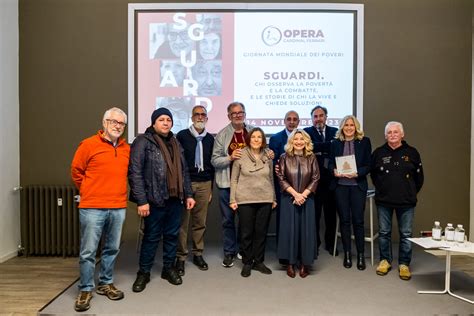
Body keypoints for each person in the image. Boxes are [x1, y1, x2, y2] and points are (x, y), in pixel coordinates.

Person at [128, 108, 195, 292]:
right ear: (153, 123)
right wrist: (142, 201)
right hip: (153, 199)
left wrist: (188, 194)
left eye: (168, 120)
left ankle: (168, 268)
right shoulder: (142, 141)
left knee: (172, 235)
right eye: (161, 119)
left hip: (175, 199)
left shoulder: (176, 142)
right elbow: (135, 172)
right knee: (151, 237)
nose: (166, 123)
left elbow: (184, 171)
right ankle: (144, 273)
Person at [71, 107, 130, 312]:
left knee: (112, 248)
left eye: (121, 123)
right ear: (104, 122)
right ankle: (86, 288)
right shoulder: (88, 145)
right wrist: (89, 190)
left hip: (118, 207)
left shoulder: (125, 148)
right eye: (114, 121)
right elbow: (76, 172)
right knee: (88, 251)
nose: (117, 126)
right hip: (92, 207)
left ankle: (105, 283)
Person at [371, 121, 424, 280]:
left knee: (406, 234)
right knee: (384, 233)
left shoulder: (412, 152)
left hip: (406, 201)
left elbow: (419, 178)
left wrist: (410, 192)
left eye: (395, 132)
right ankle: (385, 261)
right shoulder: (379, 152)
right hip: (384, 200)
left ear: (402, 134)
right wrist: (382, 189)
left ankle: (404, 264)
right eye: (389, 132)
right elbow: (373, 175)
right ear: (385, 135)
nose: (392, 135)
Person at [229, 128, 277, 277]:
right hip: (245, 199)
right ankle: (247, 262)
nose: (256, 139)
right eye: (253, 137)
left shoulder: (268, 156)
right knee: (246, 233)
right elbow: (234, 179)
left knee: (261, 232)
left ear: (263, 140)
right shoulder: (240, 155)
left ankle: (259, 261)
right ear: (249, 139)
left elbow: (271, 178)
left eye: (259, 137)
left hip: (265, 198)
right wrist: (232, 199)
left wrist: (273, 198)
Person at [211, 102, 254, 268]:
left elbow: (262, 152)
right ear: (229, 116)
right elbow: (214, 160)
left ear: (245, 114)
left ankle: (244, 250)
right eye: (234, 113)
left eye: (241, 112)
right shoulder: (222, 135)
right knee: (228, 220)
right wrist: (229, 157)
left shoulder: (253, 132)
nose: (238, 115)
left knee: (246, 220)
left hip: (248, 185)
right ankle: (229, 252)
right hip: (227, 185)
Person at [175, 105, 215, 276]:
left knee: (200, 222)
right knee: (183, 223)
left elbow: (212, 165)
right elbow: (178, 163)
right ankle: (181, 257)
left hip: (205, 184)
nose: (200, 117)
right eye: (196, 114)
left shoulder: (210, 139)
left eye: (203, 115)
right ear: (191, 118)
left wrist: (211, 188)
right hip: (187, 184)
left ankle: (198, 254)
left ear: (206, 118)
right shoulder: (182, 136)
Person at [329, 115, 372, 270]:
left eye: (351, 125)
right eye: (346, 125)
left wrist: (357, 173)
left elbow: (368, 165)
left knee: (358, 221)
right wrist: (334, 171)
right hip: (340, 186)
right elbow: (329, 163)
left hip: (357, 186)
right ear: (342, 127)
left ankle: (360, 254)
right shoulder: (335, 143)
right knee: (345, 221)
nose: (348, 127)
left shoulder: (364, 142)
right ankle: (347, 253)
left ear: (356, 127)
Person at [276, 129, 320, 278]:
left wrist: (303, 195)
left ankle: (304, 264)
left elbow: (315, 178)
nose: (299, 142)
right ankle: (290, 263)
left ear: (306, 142)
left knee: (305, 231)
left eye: (302, 139)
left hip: (307, 200)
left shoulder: (312, 157)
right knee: (289, 230)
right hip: (289, 199)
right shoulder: (284, 157)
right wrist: (295, 194)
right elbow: (281, 178)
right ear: (291, 142)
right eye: (296, 139)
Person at [304, 105, 338, 255]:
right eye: (315, 116)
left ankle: (331, 244)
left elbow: (336, 149)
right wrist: (327, 146)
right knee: (314, 216)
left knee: (331, 216)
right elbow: (309, 148)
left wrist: (319, 148)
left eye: (321, 115)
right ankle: (314, 245)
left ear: (326, 117)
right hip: (313, 182)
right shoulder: (306, 132)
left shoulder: (335, 132)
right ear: (312, 119)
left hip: (331, 180)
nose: (318, 118)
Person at [269, 110, 300, 259]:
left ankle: (298, 248)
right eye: (289, 119)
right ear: (284, 121)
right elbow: (273, 162)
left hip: (301, 185)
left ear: (298, 122)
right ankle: (283, 249)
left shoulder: (303, 138)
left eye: (295, 119)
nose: (292, 122)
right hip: (282, 185)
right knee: (283, 217)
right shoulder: (275, 139)